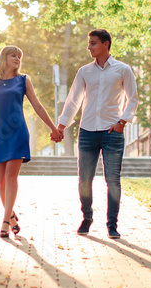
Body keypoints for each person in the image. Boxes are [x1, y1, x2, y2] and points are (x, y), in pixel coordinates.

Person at [54, 29, 138, 239]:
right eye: (89, 43)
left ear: (106, 44)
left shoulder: (123, 70)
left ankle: (112, 225)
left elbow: (133, 98)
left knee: (113, 180)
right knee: (84, 179)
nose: (89, 47)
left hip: (112, 132)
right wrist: (62, 126)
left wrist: (122, 121)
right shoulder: (84, 72)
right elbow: (73, 100)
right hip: (87, 131)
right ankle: (87, 217)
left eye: (93, 43)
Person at [0, 45, 59, 239]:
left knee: (11, 177)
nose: (17, 59)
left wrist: (53, 127)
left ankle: (5, 222)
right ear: (3, 58)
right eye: (13, 55)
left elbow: (37, 105)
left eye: (19, 56)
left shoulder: (23, 80)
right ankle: (12, 216)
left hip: (17, 133)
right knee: (0, 182)